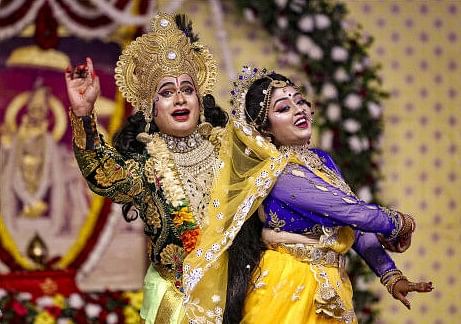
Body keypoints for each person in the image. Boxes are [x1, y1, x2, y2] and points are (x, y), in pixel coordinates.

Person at [181, 67, 433, 324]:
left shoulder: (320, 161)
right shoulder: (280, 173)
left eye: (299, 100)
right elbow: (350, 212)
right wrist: (401, 223)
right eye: (283, 108)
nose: (298, 109)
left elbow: (353, 223)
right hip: (289, 286)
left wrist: (390, 274)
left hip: (330, 285)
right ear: (265, 129)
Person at [65, 13, 228, 323]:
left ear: (200, 100)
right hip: (176, 305)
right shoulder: (148, 169)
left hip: (236, 297)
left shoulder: (230, 154)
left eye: (187, 89)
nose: (180, 98)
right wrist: (84, 115)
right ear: (151, 110)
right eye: (166, 92)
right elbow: (103, 174)